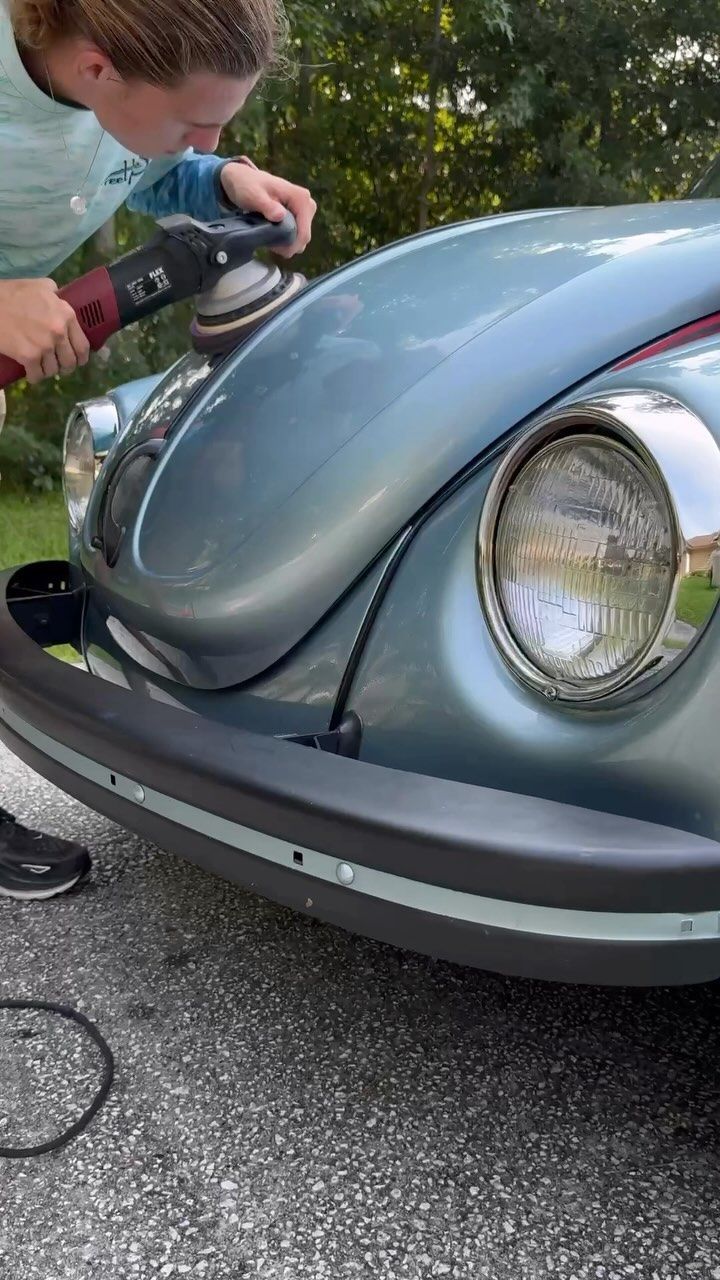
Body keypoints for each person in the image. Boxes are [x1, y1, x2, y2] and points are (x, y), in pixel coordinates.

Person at [0, 0, 316, 898]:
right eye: (195, 121)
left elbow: (150, 166)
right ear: (99, 69)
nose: (212, 136)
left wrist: (221, 181)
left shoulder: (111, 95)